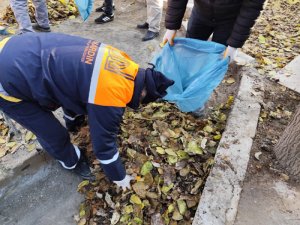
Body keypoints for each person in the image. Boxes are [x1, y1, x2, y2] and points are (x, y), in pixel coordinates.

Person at [0, 32, 174, 190]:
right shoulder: (111, 97)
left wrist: (73, 121)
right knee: (52, 133)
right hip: (8, 79)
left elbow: (74, 91)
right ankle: (71, 161)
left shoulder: (124, 61)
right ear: (141, 96)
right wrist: (119, 177)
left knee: (65, 88)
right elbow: (104, 147)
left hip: (18, 47)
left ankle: (72, 123)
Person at [162, 0, 266, 62]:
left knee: (218, 58)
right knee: (189, 52)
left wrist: (234, 45)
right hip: (200, 14)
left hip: (229, 21)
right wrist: (171, 27)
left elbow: (252, 8)